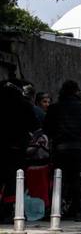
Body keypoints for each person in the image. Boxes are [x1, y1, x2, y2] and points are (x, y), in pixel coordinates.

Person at [43, 80, 81, 221]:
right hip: (78, 149)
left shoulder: (54, 108)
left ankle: (56, 209)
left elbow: (46, 128)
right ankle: (77, 210)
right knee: (78, 180)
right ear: (76, 91)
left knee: (59, 179)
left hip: (60, 148)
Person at [0, 80, 40, 223]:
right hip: (16, 148)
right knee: (13, 180)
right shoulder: (23, 105)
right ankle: (7, 210)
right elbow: (34, 125)